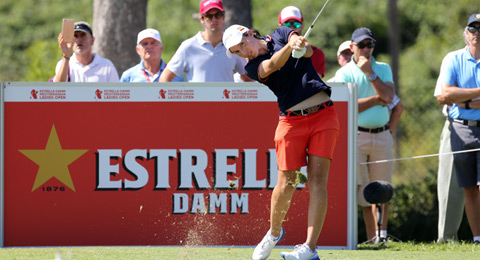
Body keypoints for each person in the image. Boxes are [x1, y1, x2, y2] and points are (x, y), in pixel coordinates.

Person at [223, 24, 339, 260]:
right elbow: (273, 64)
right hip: (291, 122)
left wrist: (299, 45)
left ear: (250, 34)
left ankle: (310, 248)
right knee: (287, 182)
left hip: (324, 115)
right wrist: (290, 47)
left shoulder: (282, 33)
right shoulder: (252, 67)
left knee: (318, 180)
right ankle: (274, 233)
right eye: (237, 52)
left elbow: (307, 52)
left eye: (243, 45)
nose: (244, 52)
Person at [334, 27, 396, 244]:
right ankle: (366, 238)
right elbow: (346, 106)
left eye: (370, 45)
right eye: (362, 45)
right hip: (356, 136)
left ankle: (381, 237)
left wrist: (370, 73)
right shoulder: (344, 74)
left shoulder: (383, 69)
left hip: (381, 134)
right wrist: (376, 99)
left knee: (382, 188)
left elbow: (388, 96)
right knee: (358, 189)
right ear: (352, 47)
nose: (367, 49)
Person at [440, 13, 480, 244]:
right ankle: (477, 239)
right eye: (472, 29)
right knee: (469, 188)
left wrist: (462, 98)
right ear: (466, 34)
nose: (477, 34)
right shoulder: (453, 59)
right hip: (461, 129)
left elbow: (454, 95)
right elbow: (446, 94)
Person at [159, 0, 249, 82]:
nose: (214, 19)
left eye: (218, 15)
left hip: (225, 100)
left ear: (223, 16)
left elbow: (247, 78)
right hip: (198, 100)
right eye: (209, 16)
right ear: (202, 19)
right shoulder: (188, 46)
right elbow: (165, 78)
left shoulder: (234, 44)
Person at [53, 21, 119, 82]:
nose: (79, 40)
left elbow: (115, 92)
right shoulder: (63, 63)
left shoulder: (107, 65)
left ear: (92, 40)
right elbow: (58, 89)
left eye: (83, 35)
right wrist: (66, 55)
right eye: (75, 36)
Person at [278, 6, 326, 78]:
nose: (291, 28)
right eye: (287, 24)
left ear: (302, 26)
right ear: (280, 26)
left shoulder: (317, 53)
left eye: (296, 24)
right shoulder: (270, 50)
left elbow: (314, 84)